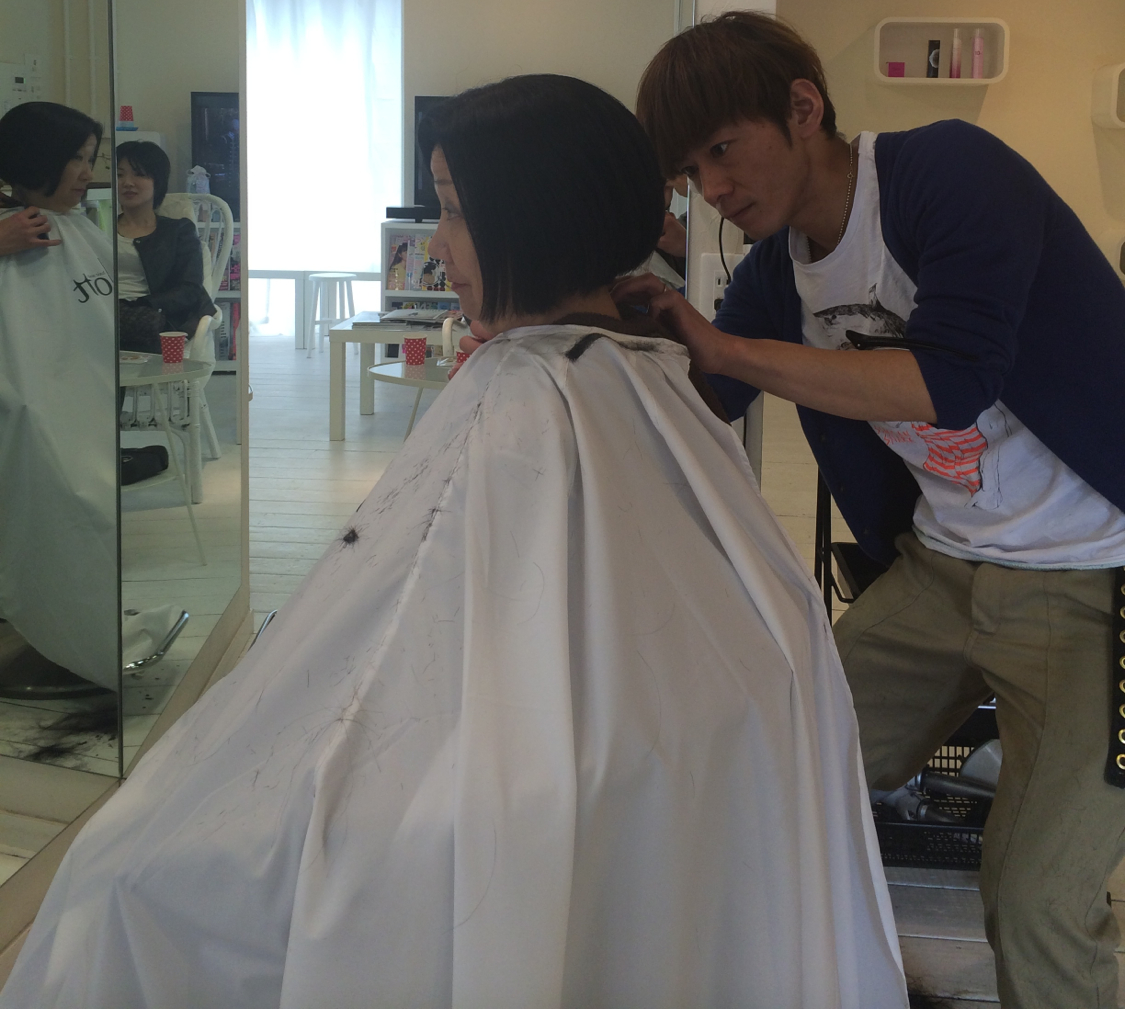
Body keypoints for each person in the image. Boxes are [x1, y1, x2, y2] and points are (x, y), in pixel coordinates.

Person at [0, 74, 907, 1009]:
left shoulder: (527, 402)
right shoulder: (642, 375)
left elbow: (384, 678)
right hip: (666, 788)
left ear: (531, 219)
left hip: (535, 798)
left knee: (122, 879)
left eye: (454, 210)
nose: (433, 246)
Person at [624, 11, 1125, 1009]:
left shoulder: (948, 171)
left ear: (803, 107)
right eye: (690, 170)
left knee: (1039, 904)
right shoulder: (776, 274)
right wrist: (583, 324)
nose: (711, 188)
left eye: (723, 149)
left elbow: (951, 379)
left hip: (1098, 584)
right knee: (779, 779)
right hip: (941, 573)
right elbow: (702, 398)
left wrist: (729, 349)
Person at [0, 102, 119, 687]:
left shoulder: (77, 229)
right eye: (76, 158)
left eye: (91, 159)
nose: (87, 174)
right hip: (27, 405)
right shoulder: (12, 230)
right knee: (66, 494)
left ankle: (76, 630)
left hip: (78, 404)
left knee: (90, 500)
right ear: (36, 158)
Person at [116, 140, 215, 354]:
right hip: (103, 314)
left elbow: (190, 289)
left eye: (139, 174)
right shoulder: (100, 228)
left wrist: (144, 304)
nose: (127, 183)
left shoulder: (178, 231)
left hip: (153, 319)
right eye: (119, 175)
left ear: (157, 182)